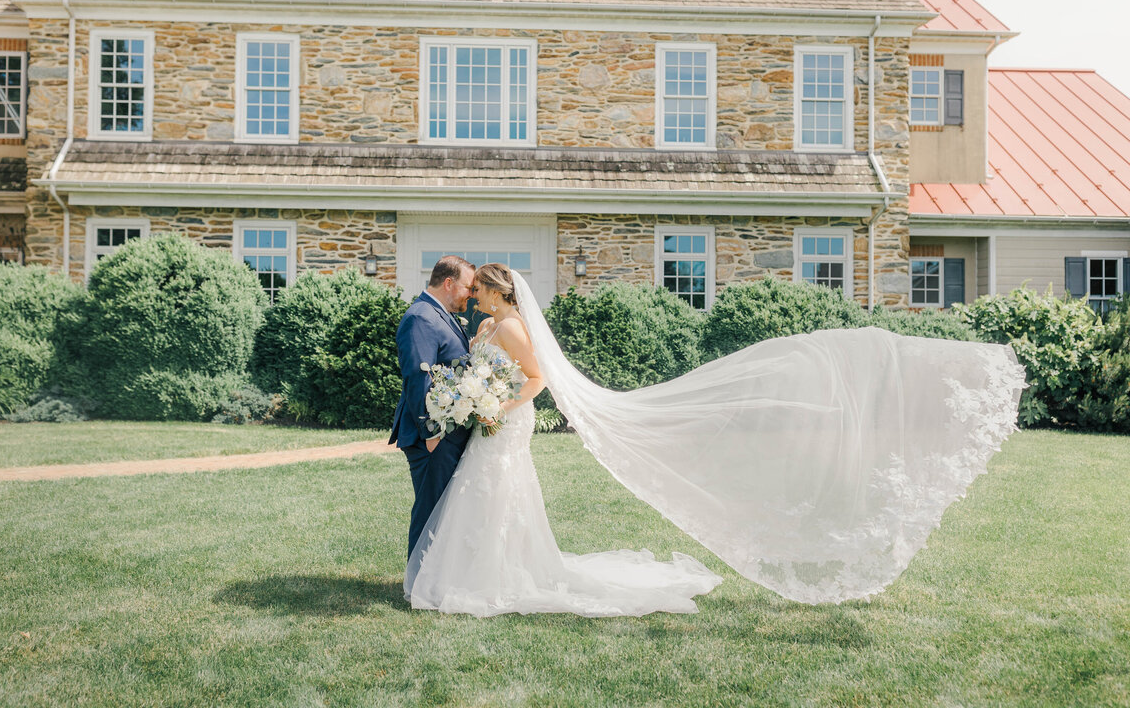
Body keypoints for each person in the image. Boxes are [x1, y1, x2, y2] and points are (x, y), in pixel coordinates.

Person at [403, 263, 1027, 614]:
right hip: (491, 425)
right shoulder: (487, 327)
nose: (472, 298)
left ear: (497, 291)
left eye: (478, 290)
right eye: (473, 292)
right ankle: (477, 569)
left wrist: (495, 406)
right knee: (488, 499)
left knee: (500, 496)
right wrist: (475, 400)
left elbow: (533, 379)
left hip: (504, 426)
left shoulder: (510, 329)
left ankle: (493, 575)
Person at [389, 255, 476, 560]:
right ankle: (418, 584)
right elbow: (418, 376)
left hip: (449, 430)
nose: (472, 293)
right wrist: (431, 431)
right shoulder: (421, 317)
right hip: (432, 434)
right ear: (449, 283)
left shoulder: (442, 314)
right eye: (468, 287)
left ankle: (436, 578)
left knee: (444, 509)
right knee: (430, 510)